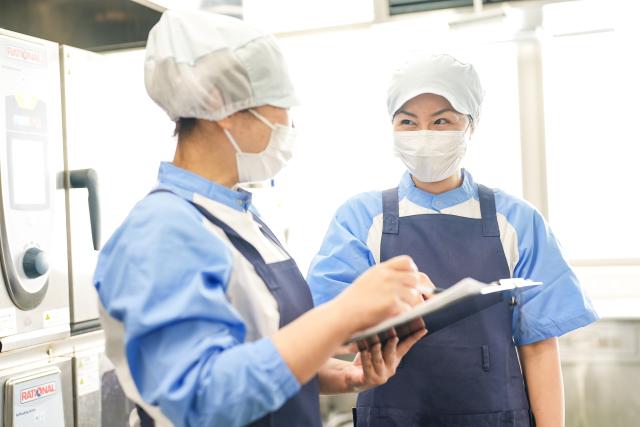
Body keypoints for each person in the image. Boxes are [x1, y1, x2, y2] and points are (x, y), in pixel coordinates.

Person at [93, 10, 427, 427]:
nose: (289, 123)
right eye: (281, 104)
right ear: (221, 104)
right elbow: (200, 397)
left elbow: (256, 351)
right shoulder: (161, 231)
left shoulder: (238, 216)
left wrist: (342, 376)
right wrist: (343, 313)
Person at [307, 54, 599, 427]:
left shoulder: (517, 221)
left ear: (470, 126)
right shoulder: (361, 218)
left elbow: (539, 347)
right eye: (408, 122)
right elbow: (323, 327)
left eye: (441, 121)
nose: (424, 134)